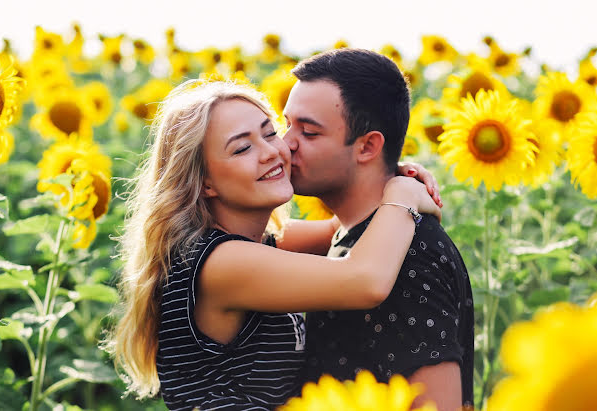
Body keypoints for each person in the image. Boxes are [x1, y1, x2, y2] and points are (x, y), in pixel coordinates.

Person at [105, 79, 442, 410]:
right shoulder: (221, 263)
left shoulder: (258, 243)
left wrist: (386, 175)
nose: (270, 152)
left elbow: (342, 225)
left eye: (269, 133)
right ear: (205, 182)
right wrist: (401, 197)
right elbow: (367, 280)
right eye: (242, 148)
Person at [283, 48, 474, 411]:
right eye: (286, 124)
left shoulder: (411, 254)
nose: (285, 143)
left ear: (368, 146)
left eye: (307, 132)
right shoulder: (364, 234)